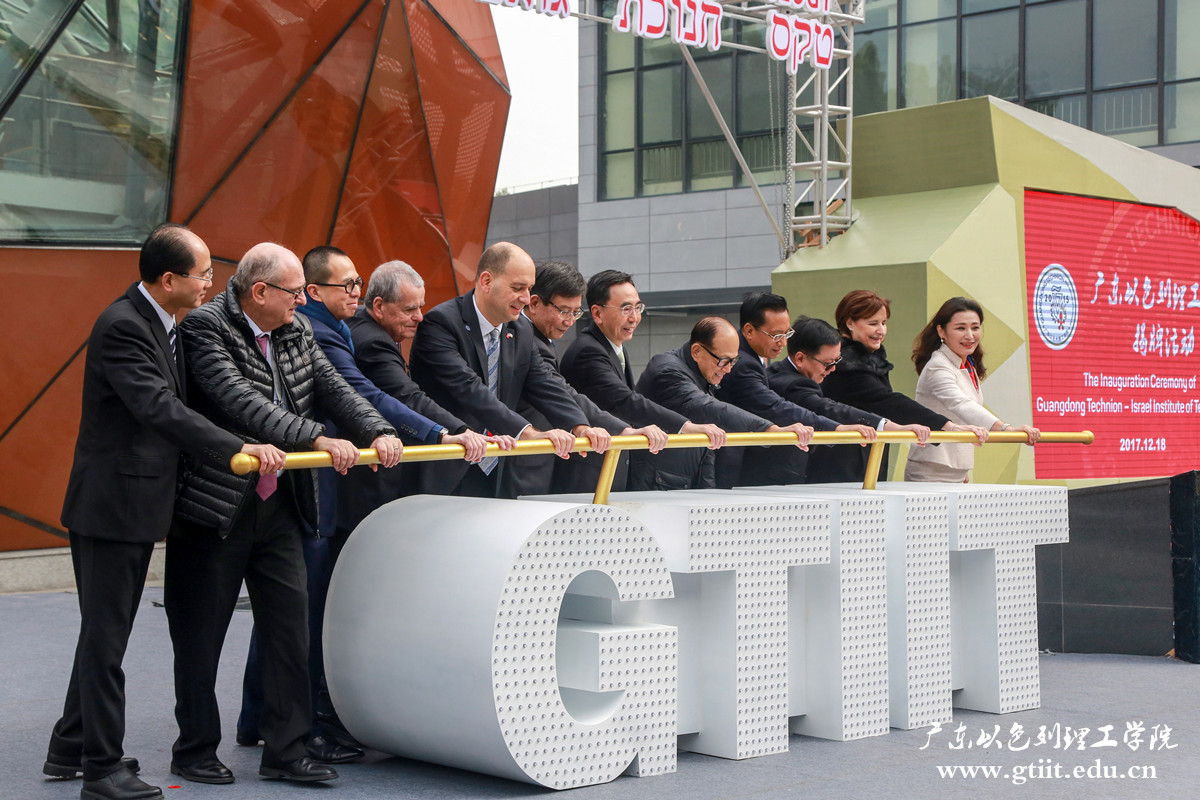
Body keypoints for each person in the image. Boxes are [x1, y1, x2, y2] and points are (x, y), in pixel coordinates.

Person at [42, 225, 283, 800]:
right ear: (168, 278)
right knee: (107, 640)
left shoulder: (163, 322)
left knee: (105, 631)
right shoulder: (125, 325)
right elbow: (157, 407)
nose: (210, 283)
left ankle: (70, 743)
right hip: (111, 508)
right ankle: (101, 769)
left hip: (136, 504)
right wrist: (234, 445)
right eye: (202, 274)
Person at [234, 247, 490, 760]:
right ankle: (301, 723)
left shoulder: (329, 329)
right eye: (347, 285)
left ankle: (261, 716)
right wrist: (442, 431)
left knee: (293, 612)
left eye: (357, 283)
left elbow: (359, 398)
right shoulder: (322, 331)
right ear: (311, 291)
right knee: (305, 614)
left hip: (321, 488)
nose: (356, 291)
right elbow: (366, 392)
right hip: (312, 490)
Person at [166, 243, 403, 786]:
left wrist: (377, 430)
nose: (302, 301)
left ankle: (287, 751)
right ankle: (196, 749)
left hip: (280, 505)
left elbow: (335, 389)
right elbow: (239, 402)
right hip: (217, 505)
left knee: (288, 631)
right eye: (295, 292)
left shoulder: (296, 331)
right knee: (201, 634)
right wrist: (316, 437)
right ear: (260, 292)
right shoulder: (206, 328)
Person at [409, 242, 610, 498]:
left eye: (529, 289)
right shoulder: (442, 323)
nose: (526, 299)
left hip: (496, 467)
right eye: (517, 288)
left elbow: (545, 383)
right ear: (486, 281)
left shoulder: (521, 329)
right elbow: (469, 389)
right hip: (443, 465)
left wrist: (579, 426)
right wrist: (528, 433)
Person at [343, 260, 506, 517]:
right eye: (409, 309)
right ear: (378, 306)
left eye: (421, 306)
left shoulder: (376, 330)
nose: (420, 317)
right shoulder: (373, 340)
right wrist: (458, 431)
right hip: (366, 484)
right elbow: (407, 397)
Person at [511, 260, 669, 496]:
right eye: (564, 311)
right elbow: (562, 391)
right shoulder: (529, 340)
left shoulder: (540, 340)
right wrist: (618, 430)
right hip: (522, 464)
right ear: (533, 303)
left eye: (576, 312)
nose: (570, 320)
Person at [559, 270, 727, 492]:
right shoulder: (587, 351)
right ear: (597, 313)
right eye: (626, 309)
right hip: (587, 474)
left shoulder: (613, 346)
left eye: (638, 308)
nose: (634, 317)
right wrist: (686, 427)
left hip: (610, 468)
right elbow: (625, 401)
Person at [820, 290, 989, 483]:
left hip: (868, 456)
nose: (881, 331)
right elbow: (886, 401)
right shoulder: (846, 363)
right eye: (873, 323)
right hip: (840, 462)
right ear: (850, 323)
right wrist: (948, 427)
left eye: (884, 323)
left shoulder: (872, 358)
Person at [632, 316, 813, 490]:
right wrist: (769, 429)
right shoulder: (666, 370)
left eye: (733, 360)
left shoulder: (701, 373)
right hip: (655, 483)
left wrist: (708, 490)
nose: (728, 369)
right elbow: (708, 407)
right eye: (723, 361)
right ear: (696, 351)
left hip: (686, 478)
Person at [717, 292, 877, 487]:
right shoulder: (741, 362)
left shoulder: (752, 356)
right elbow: (774, 406)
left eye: (787, 333)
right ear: (749, 331)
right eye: (776, 335)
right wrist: (836, 428)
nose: (783, 342)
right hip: (733, 469)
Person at [769, 316, 932, 483]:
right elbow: (827, 408)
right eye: (827, 363)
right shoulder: (791, 383)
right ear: (800, 358)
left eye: (837, 361)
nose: (833, 369)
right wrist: (891, 427)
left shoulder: (786, 372)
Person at [905, 297, 1040, 482]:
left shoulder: (967, 364)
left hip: (957, 471)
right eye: (960, 328)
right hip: (931, 471)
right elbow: (961, 404)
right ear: (941, 331)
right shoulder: (938, 366)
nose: (970, 335)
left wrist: (961, 470)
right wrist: (1007, 429)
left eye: (975, 327)